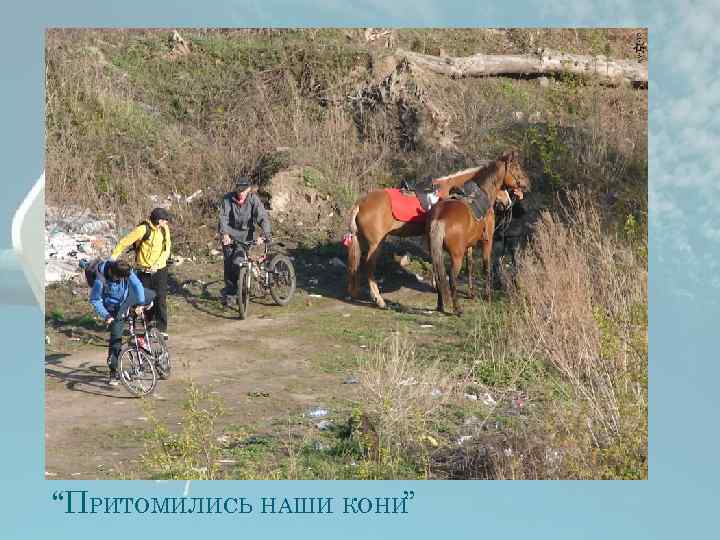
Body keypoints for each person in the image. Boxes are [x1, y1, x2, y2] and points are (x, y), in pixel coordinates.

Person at [88, 260, 155, 386]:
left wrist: (140, 304)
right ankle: (113, 372)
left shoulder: (125, 271)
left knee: (149, 298)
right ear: (114, 274)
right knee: (116, 338)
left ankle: (149, 343)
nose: (126, 278)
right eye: (122, 277)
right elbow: (95, 300)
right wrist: (106, 316)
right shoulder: (100, 280)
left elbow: (137, 285)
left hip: (127, 298)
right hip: (113, 308)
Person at [111, 207, 172, 339]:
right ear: (157, 220)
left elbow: (166, 250)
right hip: (144, 270)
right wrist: (113, 257)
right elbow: (124, 242)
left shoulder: (164, 229)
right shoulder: (143, 229)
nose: (166, 223)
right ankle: (149, 325)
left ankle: (162, 328)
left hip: (160, 269)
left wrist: (157, 264)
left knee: (160, 298)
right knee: (145, 299)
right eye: (164, 220)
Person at [218, 176, 272, 303]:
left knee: (239, 262)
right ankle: (231, 293)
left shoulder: (253, 200)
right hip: (230, 236)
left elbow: (263, 217)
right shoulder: (227, 199)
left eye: (243, 191)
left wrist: (264, 234)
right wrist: (225, 234)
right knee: (229, 263)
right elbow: (223, 218)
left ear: (248, 190)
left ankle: (242, 291)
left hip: (246, 236)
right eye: (238, 190)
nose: (240, 193)